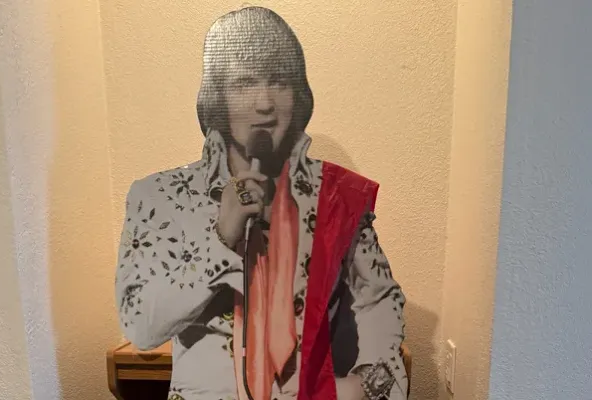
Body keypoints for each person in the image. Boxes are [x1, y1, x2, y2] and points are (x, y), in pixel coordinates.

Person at [115, 6, 407, 400]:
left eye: (279, 82)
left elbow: (381, 304)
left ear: (297, 94)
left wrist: (361, 386)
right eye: (244, 83)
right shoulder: (160, 198)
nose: (265, 102)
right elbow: (141, 327)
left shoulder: (336, 196)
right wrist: (220, 239)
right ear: (217, 96)